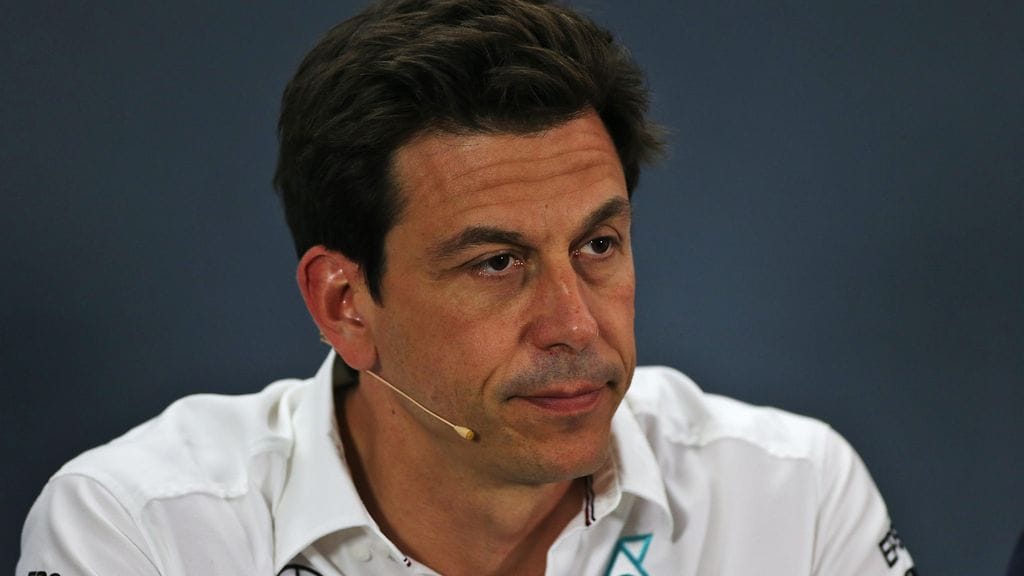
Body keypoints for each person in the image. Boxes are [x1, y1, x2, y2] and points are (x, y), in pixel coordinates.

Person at [17, 1, 917, 575]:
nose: (575, 325)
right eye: (497, 263)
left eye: (598, 245)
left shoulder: (791, 495)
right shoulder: (139, 532)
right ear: (344, 305)